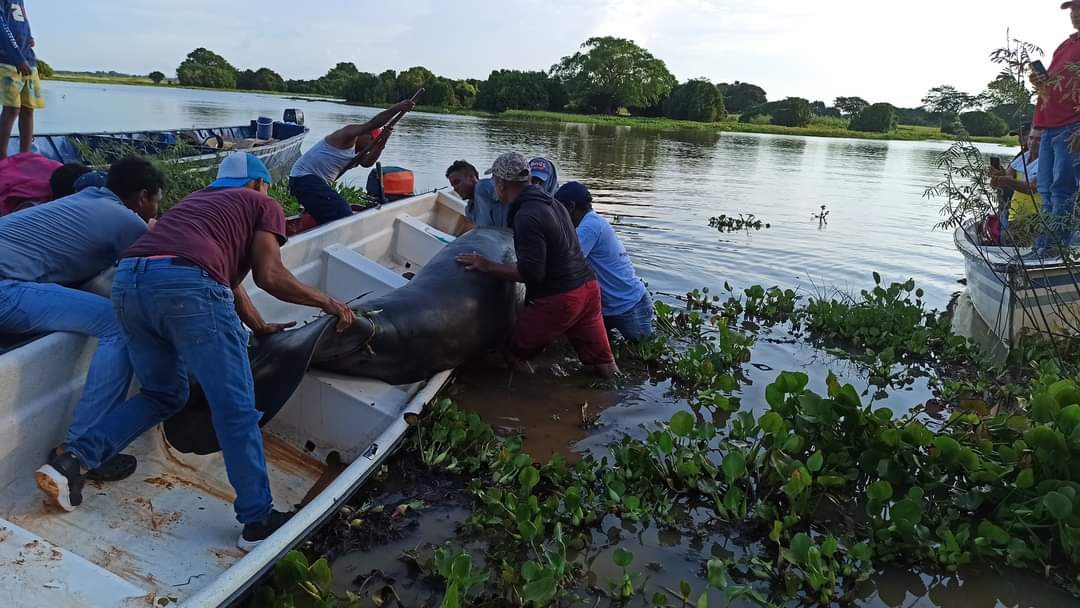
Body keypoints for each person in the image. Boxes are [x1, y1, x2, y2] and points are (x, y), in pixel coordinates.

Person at [36, 152, 357, 552]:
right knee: (235, 408)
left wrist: (258, 326)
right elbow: (269, 275)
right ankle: (257, 520)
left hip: (130, 284)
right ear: (258, 184)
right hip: (188, 286)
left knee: (163, 393)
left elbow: (223, 273)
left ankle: (72, 461)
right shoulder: (262, 203)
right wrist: (326, 302)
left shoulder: (194, 204)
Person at [0, 156, 163, 481]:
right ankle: (82, 447)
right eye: (156, 202)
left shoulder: (83, 200)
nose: (156, 210)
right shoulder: (129, 223)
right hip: (5, 290)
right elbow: (156, 280)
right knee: (118, 324)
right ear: (142, 196)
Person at [456, 152, 619, 379]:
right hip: (589, 290)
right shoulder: (554, 203)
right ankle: (621, 404)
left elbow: (531, 273)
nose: (493, 187)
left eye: (494, 181)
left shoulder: (526, 215)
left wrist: (486, 265)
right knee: (604, 363)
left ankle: (529, 403)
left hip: (561, 299)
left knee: (512, 354)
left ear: (501, 183)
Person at [288, 99, 416, 225]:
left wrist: (382, 143)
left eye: (375, 143)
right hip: (303, 178)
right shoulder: (348, 136)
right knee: (343, 213)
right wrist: (398, 107)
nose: (372, 146)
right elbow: (374, 123)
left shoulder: (359, 153)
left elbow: (367, 163)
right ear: (365, 134)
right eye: (372, 141)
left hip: (316, 184)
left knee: (331, 211)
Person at [554, 182, 653, 341]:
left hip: (629, 306)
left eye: (560, 210)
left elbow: (565, 263)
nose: (558, 216)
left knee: (645, 356)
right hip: (610, 306)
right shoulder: (592, 222)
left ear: (571, 207)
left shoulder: (589, 227)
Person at [1029, 1, 1080, 251]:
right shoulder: (1065, 45)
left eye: (1079, 10)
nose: (1075, 15)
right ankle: (1044, 248)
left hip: (1072, 127)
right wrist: (1036, 129)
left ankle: (1055, 250)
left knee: (1062, 191)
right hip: (1050, 128)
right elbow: (1048, 92)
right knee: (1045, 190)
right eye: (1073, 10)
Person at [0, 0, 43, 160]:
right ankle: (2, 157)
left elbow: (20, 23)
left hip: (29, 58)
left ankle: (26, 156)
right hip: (8, 59)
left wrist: (28, 39)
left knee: (28, 109)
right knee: (11, 109)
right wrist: (17, 57)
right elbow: (2, 28)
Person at [990, 125, 1042, 242]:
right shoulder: (1023, 157)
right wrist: (997, 176)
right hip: (1016, 214)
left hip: (1036, 216)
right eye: (1031, 138)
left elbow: (1031, 189)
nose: (1033, 142)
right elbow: (1002, 181)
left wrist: (1005, 180)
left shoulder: (1048, 161)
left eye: (1039, 139)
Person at [445, 159, 508, 228]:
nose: (455, 188)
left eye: (457, 182)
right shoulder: (469, 210)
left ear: (472, 177)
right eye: (453, 185)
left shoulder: (484, 187)